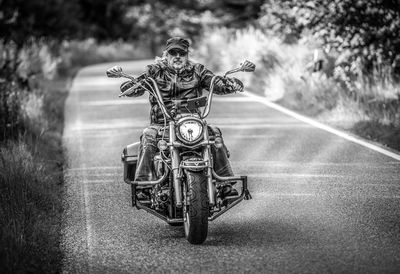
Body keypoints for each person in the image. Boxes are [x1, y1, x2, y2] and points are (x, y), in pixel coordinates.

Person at [119, 37, 244, 198]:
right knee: (148, 136)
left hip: (191, 122)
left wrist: (230, 84)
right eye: (173, 53)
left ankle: (225, 184)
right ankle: (144, 186)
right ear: (166, 55)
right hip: (161, 124)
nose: (177, 56)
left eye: (181, 53)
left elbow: (215, 83)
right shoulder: (155, 71)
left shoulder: (198, 70)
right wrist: (130, 87)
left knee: (213, 133)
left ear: (187, 55)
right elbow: (138, 85)